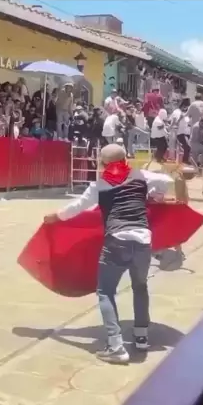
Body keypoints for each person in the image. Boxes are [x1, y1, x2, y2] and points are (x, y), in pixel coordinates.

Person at [44, 143, 173, 364]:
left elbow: (76, 208)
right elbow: (167, 180)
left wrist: (54, 216)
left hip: (117, 241)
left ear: (103, 164)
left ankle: (115, 346)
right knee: (140, 287)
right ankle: (141, 337)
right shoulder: (140, 176)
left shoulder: (100, 185)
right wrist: (154, 195)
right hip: (143, 241)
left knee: (105, 292)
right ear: (125, 160)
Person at [170, 98, 191, 163]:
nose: (186, 108)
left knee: (188, 147)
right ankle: (185, 160)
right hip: (180, 133)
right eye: (185, 106)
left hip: (187, 133)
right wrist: (180, 118)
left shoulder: (186, 114)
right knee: (187, 146)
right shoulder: (177, 112)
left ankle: (185, 160)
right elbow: (175, 123)